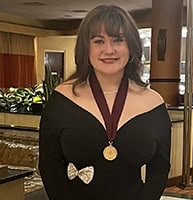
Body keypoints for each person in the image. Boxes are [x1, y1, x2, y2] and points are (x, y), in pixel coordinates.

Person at [39, 4, 172, 200]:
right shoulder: (62, 100)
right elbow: (49, 167)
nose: (109, 50)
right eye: (98, 41)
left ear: (132, 47)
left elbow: (159, 169)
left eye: (118, 40)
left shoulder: (153, 103)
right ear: (86, 48)